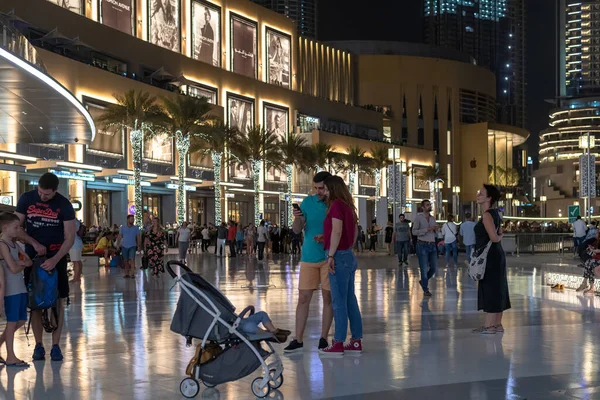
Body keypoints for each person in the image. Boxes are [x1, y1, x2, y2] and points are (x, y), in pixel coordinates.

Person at [15, 172, 76, 362]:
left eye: (47, 195)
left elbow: (70, 237)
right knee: (35, 303)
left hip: (56, 258)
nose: (43, 197)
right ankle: (39, 345)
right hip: (32, 259)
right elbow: (16, 228)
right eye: (40, 192)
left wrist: (56, 259)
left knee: (57, 302)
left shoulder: (64, 205)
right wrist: (33, 243)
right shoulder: (27, 199)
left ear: (55, 191)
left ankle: (56, 346)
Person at [284, 171, 333, 353]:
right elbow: (297, 230)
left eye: (322, 188)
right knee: (303, 298)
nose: (318, 191)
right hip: (309, 257)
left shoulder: (334, 204)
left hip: (329, 257)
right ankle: (298, 339)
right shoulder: (308, 202)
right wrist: (298, 217)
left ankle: (323, 338)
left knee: (328, 298)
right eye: (316, 188)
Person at [319, 175, 363, 356]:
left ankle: (338, 342)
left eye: (327, 189)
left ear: (334, 189)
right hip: (348, 255)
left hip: (338, 256)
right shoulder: (349, 207)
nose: (326, 193)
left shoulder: (336, 205)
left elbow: (337, 230)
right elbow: (351, 234)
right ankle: (355, 341)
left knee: (338, 301)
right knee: (350, 299)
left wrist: (331, 255)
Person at [472, 184, 511, 334]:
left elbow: (495, 237)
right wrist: (499, 236)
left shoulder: (487, 215)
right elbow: (499, 232)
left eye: (481, 193)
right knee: (498, 287)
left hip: (488, 256)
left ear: (489, 198)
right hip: (496, 254)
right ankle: (497, 325)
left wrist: (499, 237)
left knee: (490, 288)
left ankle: (489, 326)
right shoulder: (495, 214)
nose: (478, 195)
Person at [0, 213, 32, 367]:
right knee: (12, 322)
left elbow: (28, 260)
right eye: (15, 227)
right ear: (5, 228)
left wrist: (21, 263)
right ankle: (11, 356)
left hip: (20, 287)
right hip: (10, 290)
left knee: (21, 320)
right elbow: (13, 268)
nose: (18, 230)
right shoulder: (3, 244)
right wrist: (22, 264)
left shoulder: (14, 244)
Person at [412, 199, 439, 297]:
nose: (429, 206)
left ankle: (423, 281)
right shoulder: (418, 218)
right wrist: (427, 229)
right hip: (422, 245)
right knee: (423, 268)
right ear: (423, 207)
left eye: (430, 205)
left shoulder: (432, 218)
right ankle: (425, 289)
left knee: (433, 268)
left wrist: (436, 230)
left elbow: (435, 233)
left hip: (432, 244)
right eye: (427, 205)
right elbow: (414, 232)